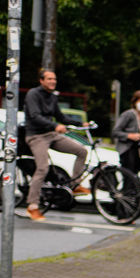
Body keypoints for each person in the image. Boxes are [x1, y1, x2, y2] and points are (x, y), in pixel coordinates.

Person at [20, 68, 90, 221]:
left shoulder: (52, 97)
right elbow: (34, 116)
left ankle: (75, 186)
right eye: (49, 79)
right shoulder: (33, 94)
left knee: (82, 151)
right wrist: (55, 126)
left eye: (54, 79)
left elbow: (60, 116)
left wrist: (81, 123)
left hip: (51, 135)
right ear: (41, 80)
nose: (53, 81)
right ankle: (32, 206)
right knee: (42, 168)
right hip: (36, 136)